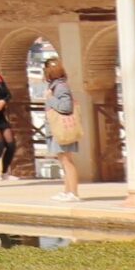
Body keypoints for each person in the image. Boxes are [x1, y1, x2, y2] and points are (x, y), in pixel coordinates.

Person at [43, 57, 82, 202]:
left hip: (62, 129)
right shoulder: (56, 86)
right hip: (56, 129)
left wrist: (50, 99)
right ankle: (67, 191)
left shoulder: (60, 87)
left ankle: (73, 192)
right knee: (63, 161)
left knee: (67, 161)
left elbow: (66, 107)